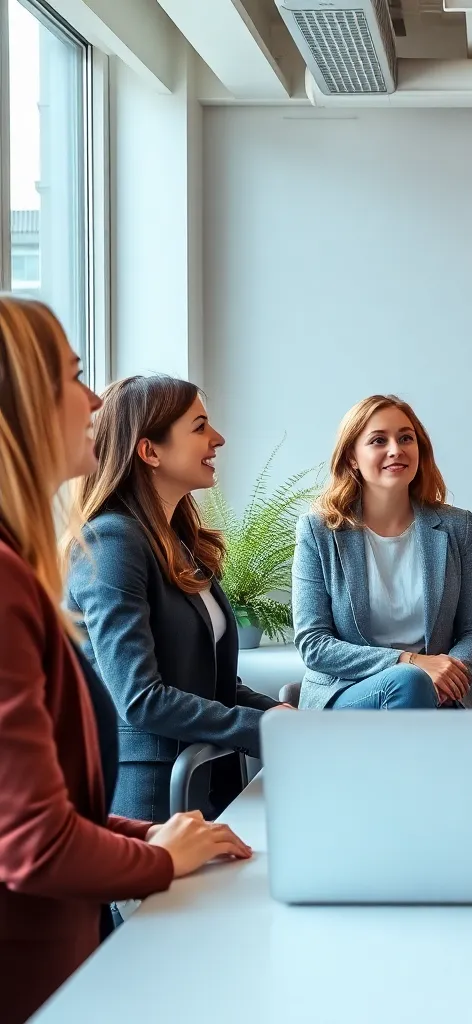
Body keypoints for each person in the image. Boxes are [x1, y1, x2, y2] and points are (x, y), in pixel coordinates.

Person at [0, 298, 251, 1024]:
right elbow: (34, 844)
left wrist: (149, 840)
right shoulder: (73, 557)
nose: (91, 400)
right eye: (74, 378)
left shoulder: (30, 564)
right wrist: (160, 854)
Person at [65, 376, 288, 824]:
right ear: (150, 451)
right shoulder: (112, 543)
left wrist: (276, 712)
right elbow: (141, 698)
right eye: (200, 426)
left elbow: (204, 682)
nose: (218, 438)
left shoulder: (177, 543)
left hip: (206, 779)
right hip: (150, 794)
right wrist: (265, 729)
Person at [292, 395, 472, 710]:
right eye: (378, 440)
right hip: (348, 694)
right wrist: (411, 663)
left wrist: (451, 673)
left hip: (438, 698)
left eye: (405, 438)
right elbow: (314, 645)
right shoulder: (319, 531)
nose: (395, 449)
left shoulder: (457, 526)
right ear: (352, 458)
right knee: (410, 681)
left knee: (416, 686)